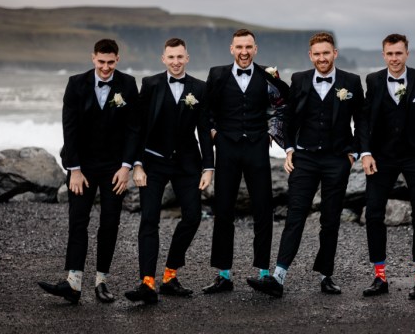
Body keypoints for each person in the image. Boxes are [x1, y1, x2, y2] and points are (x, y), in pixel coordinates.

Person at [248, 32, 364, 297]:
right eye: (317, 54)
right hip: (305, 158)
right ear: (310, 56)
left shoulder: (351, 82)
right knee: (295, 216)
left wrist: (354, 153)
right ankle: (278, 277)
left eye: (326, 53)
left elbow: (363, 119)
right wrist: (288, 149)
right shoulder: (299, 80)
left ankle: (326, 276)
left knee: (330, 219)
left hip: (337, 159)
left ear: (334, 53)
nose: (322, 58)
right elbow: (288, 118)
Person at [38, 39, 139, 304]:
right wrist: (74, 170)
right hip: (82, 166)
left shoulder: (128, 84)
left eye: (110, 62)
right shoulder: (75, 84)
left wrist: (126, 167)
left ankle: (101, 281)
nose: (105, 68)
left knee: (110, 223)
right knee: (78, 221)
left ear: (117, 59)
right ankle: (73, 282)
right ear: (93, 58)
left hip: (114, 168)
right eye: (101, 62)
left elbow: (133, 129)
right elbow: (68, 128)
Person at [124, 38, 214, 304]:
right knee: (149, 219)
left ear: (188, 58)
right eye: (171, 57)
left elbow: (204, 131)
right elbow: (138, 126)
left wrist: (208, 167)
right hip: (153, 162)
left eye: (180, 57)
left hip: (187, 164)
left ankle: (170, 275)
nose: (175, 62)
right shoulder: (150, 84)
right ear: (163, 59)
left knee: (193, 216)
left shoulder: (200, 88)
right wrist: (137, 164)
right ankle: (147, 283)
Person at [202, 29, 288, 294]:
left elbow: (283, 104)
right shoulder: (217, 74)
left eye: (248, 47)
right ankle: (223, 275)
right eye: (239, 47)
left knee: (263, 209)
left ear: (255, 48)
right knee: (223, 211)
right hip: (226, 148)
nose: (244, 52)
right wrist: (214, 131)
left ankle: (263, 272)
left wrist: (273, 131)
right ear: (231, 48)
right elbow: (206, 109)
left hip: (257, 148)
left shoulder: (268, 75)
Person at [359, 33, 415, 299]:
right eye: (390, 54)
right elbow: (363, 120)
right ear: (383, 55)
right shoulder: (373, 81)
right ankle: (379, 276)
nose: (394, 58)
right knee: (373, 213)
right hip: (382, 156)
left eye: (399, 53)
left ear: (407, 54)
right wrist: (365, 152)